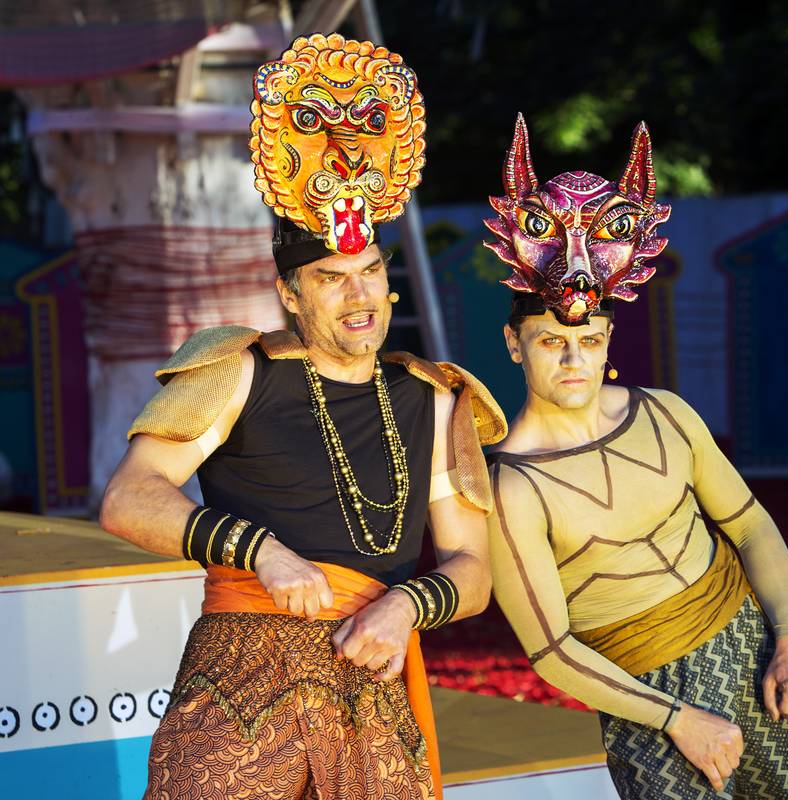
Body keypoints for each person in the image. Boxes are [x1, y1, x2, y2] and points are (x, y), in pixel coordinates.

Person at [100, 33, 505, 800]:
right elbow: (129, 497)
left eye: (371, 273)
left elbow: (473, 569)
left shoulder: (434, 395)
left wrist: (406, 606)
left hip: (370, 684)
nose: (358, 298)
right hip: (239, 688)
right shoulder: (237, 372)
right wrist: (259, 551)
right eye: (330, 278)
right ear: (290, 292)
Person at [483, 114, 788, 799]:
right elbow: (550, 651)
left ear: (610, 338)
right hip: (643, 694)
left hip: (752, 652)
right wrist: (675, 718)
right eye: (552, 342)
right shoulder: (512, 484)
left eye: (590, 340)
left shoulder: (666, 414)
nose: (575, 359)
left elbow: (752, 527)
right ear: (514, 343)